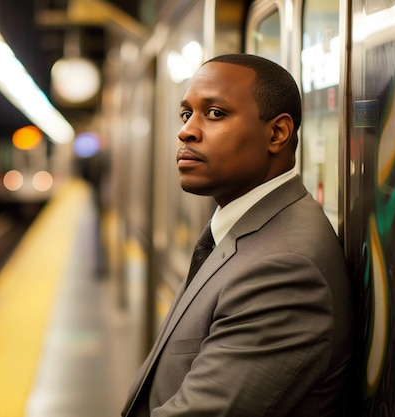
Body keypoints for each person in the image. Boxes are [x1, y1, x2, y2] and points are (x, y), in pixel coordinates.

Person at [121, 54, 354, 417]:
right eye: (186, 115)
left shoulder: (285, 269)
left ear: (277, 133)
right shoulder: (246, 228)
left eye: (215, 113)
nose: (187, 131)